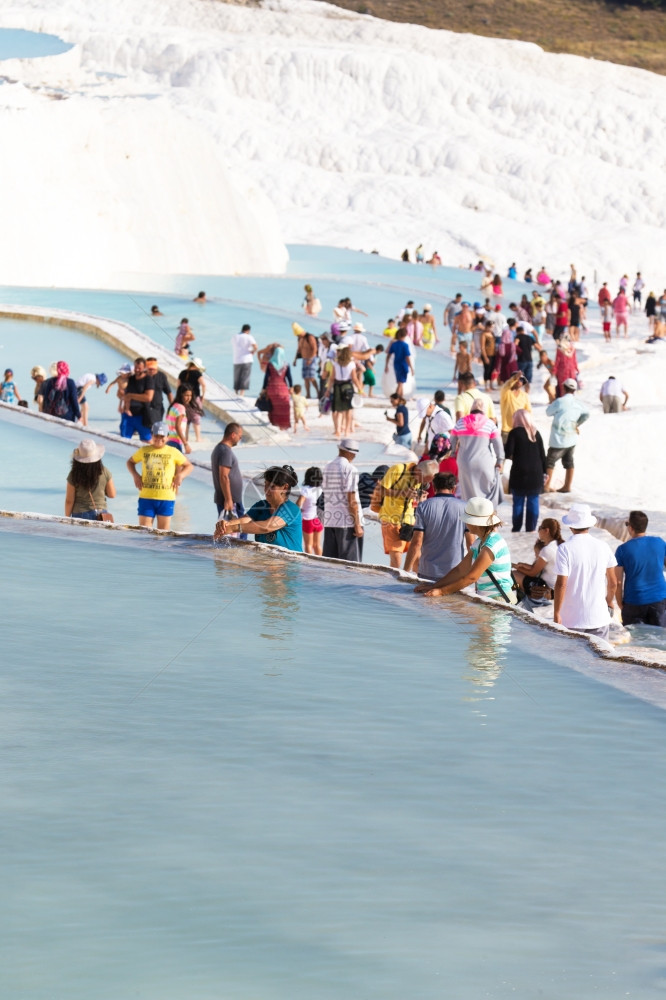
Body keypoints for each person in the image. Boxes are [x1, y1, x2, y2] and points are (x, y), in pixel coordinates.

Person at [414, 497, 516, 603]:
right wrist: (435, 586)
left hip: (499, 600)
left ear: (475, 523)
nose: (465, 523)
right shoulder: (479, 543)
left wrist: (441, 591)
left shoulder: (492, 543)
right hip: (489, 599)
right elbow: (460, 570)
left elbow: (472, 577)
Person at [554, 504, 617, 641]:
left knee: (570, 661)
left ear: (570, 526)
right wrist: (609, 601)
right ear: (589, 524)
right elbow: (613, 582)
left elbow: (561, 585)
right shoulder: (603, 546)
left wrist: (557, 612)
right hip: (599, 617)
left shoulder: (564, 549)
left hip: (571, 619)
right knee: (598, 660)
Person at [215, 465, 302, 550]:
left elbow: (267, 527)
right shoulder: (261, 506)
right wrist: (225, 525)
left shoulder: (292, 509)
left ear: (284, 487)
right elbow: (244, 520)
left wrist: (234, 528)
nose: (266, 490)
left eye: (272, 486)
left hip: (289, 562)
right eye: (266, 484)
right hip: (267, 560)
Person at [127, 421, 193, 530]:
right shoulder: (144, 451)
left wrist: (180, 476)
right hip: (146, 496)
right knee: (144, 533)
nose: (159, 439)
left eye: (162, 436)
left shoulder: (173, 452)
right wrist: (136, 476)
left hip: (166, 497)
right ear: (151, 435)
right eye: (156, 435)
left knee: (162, 534)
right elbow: (130, 462)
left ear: (167, 437)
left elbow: (189, 466)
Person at [404, 472, 468, 580]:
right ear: (454, 488)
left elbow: (417, 542)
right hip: (455, 572)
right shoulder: (464, 507)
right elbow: (471, 543)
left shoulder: (423, 507)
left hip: (428, 571)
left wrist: (405, 571)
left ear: (434, 487)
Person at [376, 460, 438, 569]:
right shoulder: (398, 470)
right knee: (396, 557)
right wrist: (402, 493)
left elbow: (413, 499)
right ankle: (394, 584)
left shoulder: (421, 479)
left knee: (416, 558)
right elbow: (380, 490)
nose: (424, 483)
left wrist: (420, 498)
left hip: (410, 521)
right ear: (418, 471)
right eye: (424, 480)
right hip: (391, 518)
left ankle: (415, 583)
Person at [614, 511, 666, 627]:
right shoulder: (660, 542)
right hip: (659, 599)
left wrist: (620, 604)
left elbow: (618, 581)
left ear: (631, 527)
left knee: (635, 639)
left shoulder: (622, 550)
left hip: (634, 601)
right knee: (660, 637)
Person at [450, 399, 504, 505]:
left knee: (467, 494)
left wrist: (452, 454)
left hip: (464, 462)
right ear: (484, 410)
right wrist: (500, 460)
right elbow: (498, 443)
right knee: (486, 493)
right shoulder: (490, 424)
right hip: (484, 462)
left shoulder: (460, 422)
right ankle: (485, 516)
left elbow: (451, 440)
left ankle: (470, 518)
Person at [544, 379, 590, 493]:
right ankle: (567, 486)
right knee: (569, 461)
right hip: (571, 438)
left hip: (558, 438)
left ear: (563, 388)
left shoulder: (560, 401)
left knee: (549, 462)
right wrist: (576, 424)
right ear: (574, 390)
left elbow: (548, 412)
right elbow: (587, 414)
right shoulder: (577, 403)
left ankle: (546, 486)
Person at [504, 409, 546, 532]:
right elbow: (543, 455)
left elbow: (508, 453)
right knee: (533, 501)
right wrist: (545, 472)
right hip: (536, 473)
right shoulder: (535, 433)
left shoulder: (514, 433)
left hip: (519, 472)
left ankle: (516, 529)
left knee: (518, 502)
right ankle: (531, 529)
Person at [322, 439, 364, 561]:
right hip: (347, 522)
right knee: (350, 566)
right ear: (350, 453)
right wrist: (357, 525)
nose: (355, 456)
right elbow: (351, 500)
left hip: (330, 520)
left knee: (330, 564)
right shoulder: (350, 469)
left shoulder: (327, 467)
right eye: (354, 454)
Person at [65, 439, 116, 521]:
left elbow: (69, 501)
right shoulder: (105, 471)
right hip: (101, 514)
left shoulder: (73, 474)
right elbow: (112, 494)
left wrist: (66, 518)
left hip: (80, 514)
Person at [513, 518, 564, 598]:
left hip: (548, 590)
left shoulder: (548, 549)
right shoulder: (560, 545)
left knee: (514, 574)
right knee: (519, 574)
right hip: (561, 589)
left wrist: (517, 568)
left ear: (546, 530)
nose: (538, 531)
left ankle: (518, 598)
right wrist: (522, 566)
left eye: (540, 528)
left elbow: (533, 573)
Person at [211, 422, 245, 522]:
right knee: (236, 532)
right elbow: (224, 476)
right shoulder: (225, 451)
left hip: (230, 499)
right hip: (229, 501)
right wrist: (229, 499)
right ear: (233, 435)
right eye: (240, 436)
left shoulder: (220, 449)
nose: (240, 439)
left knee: (237, 530)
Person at [328, 344, 362, 438]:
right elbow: (354, 378)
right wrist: (360, 388)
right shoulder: (351, 364)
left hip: (337, 386)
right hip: (347, 386)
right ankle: (347, 431)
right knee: (348, 410)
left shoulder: (336, 363)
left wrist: (327, 390)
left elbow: (332, 378)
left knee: (338, 410)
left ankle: (338, 430)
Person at [119, 357, 155, 441]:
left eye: (139, 368)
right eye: (135, 368)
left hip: (142, 415)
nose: (137, 370)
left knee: (146, 440)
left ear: (145, 368)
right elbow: (121, 394)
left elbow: (148, 397)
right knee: (123, 440)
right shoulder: (130, 379)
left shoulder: (148, 379)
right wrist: (121, 399)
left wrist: (131, 396)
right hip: (128, 415)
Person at [259, 345, 292, 431]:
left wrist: (264, 388)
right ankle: (283, 428)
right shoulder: (286, 365)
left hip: (272, 388)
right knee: (284, 407)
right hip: (283, 389)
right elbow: (289, 377)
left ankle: (275, 426)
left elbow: (266, 378)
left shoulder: (270, 364)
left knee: (274, 408)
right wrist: (291, 387)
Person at [296, 466, 324, 555]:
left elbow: (299, 503)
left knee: (308, 545)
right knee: (317, 545)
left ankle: (310, 564)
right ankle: (321, 562)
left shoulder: (305, 490)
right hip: (318, 519)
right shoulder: (320, 489)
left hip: (307, 519)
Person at [178, 358, 206, 442]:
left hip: (183, 398)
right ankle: (198, 438)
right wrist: (203, 396)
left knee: (186, 419)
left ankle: (185, 438)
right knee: (196, 418)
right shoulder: (197, 373)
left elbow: (178, 386)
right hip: (194, 398)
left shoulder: (182, 373)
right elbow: (203, 385)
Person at [499, 373, 531, 445]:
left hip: (521, 429)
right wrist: (514, 378)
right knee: (506, 455)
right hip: (507, 430)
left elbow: (528, 412)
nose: (519, 381)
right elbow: (506, 386)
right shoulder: (506, 393)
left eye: (521, 380)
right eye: (517, 379)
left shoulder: (525, 395)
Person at [385, 328, 414, 396]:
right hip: (403, 365)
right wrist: (411, 368)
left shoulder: (394, 344)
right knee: (400, 384)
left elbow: (388, 355)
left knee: (400, 383)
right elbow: (407, 357)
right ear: (405, 335)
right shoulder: (405, 345)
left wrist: (386, 366)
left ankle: (401, 399)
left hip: (396, 364)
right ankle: (396, 398)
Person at [293, 326, 319, 399]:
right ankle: (308, 394)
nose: (298, 336)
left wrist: (310, 359)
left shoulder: (310, 337)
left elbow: (314, 348)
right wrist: (295, 360)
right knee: (305, 378)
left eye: (298, 334)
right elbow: (299, 350)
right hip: (304, 359)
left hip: (312, 359)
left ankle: (318, 392)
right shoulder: (300, 339)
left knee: (311, 377)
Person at [166, 384, 193, 453]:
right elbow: (177, 427)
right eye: (186, 395)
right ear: (181, 395)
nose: (189, 398)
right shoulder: (181, 408)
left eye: (190, 395)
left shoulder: (173, 406)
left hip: (169, 441)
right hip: (176, 442)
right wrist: (185, 444)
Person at [231, 324, 257, 396]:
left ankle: (236, 391)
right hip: (247, 359)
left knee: (237, 376)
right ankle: (242, 394)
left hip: (236, 359)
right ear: (248, 330)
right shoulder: (249, 337)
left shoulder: (235, 336)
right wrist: (252, 351)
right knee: (245, 377)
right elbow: (255, 346)